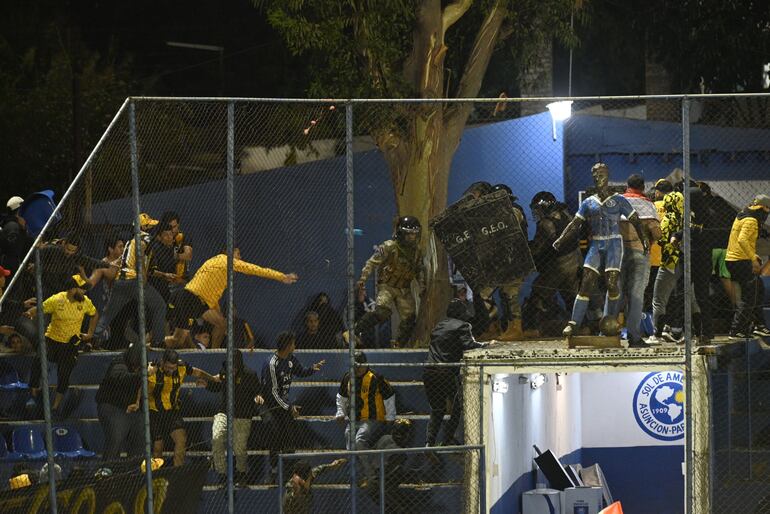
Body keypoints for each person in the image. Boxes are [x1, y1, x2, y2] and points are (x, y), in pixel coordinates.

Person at [554, 163, 649, 337]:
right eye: (596, 175)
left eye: (602, 174)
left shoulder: (619, 200)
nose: (599, 178)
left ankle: (610, 320)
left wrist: (644, 239)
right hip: (596, 244)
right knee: (586, 282)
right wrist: (561, 239)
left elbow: (635, 220)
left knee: (612, 284)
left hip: (614, 243)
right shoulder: (589, 202)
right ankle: (573, 324)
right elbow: (575, 223)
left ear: (608, 176)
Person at [165, 248, 298, 349]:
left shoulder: (214, 262)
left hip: (195, 300)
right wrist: (281, 276)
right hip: (191, 299)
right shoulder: (228, 262)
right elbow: (255, 269)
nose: (240, 257)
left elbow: (209, 291)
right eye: (238, 254)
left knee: (221, 323)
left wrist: (217, 310)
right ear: (230, 253)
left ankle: (212, 353)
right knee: (178, 339)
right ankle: (151, 345)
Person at [130, 349, 218, 466]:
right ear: (162, 362)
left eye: (173, 368)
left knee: (181, 439)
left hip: (172, 411)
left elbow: (197, 372)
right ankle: (157, 477)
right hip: (153, 412)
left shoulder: (182, 367)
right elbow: (138, 385)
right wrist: (136, 402)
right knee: (158, 447)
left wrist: (212, 378)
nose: (171, 370)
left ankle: (177, 473)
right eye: (168, 367)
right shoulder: (152, 369)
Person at [27, 275, 98, 413]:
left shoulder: (85, 302)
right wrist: (30, 312)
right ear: (72, 289)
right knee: (38, 360)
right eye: (81, 289)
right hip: (52, 340)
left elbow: (95, 314)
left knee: (64, 374)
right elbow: (41, 308)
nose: (84, 292)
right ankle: (33, 394)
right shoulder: (57, 299)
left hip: (70, 343)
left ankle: (55, 406)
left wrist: (90, 334)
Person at [262, 331, 325, 478]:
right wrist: (288, 407)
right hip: (271, 406)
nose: (295, 346)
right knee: (275, 435)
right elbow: (272, 393)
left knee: (290, 437)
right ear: (287, 345)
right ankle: (273, 471)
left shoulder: (291, 359)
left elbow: (300, 371)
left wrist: (311, 369)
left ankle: (289, 470)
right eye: (293, 343)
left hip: (283, 404)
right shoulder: (272, 363)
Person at [355, 216, 426, 347]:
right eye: (409, 234)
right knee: (382, 311)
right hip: (387, 286)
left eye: (414, 234)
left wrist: (422, 287)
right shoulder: (389, 246)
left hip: (404, 289)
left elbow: (419, 270)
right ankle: (355, 331)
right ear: (401, 233)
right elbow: (372, 262)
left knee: (410, 318)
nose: (412, 237)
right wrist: (363, 278)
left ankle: (399, 344)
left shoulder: (417, 252)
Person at [424, 299, 485, 447]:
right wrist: (485, 345)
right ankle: (447, 439)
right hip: (445, 372)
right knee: (457, 406)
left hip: (429, 371)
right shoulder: (463, 326)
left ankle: (429, 442)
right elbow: (469, 345)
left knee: (437, 409)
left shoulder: (440, 325)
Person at [93, 228, 167, 348]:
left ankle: (92, 339)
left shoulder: (130, 242)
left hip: (121, 282)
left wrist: (163, 275)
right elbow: (140, 258)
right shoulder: (143, 238)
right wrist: (142, 278)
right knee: (159, 305)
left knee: (107, 315)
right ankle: (158, 341)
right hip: (134, 281)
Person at [648, 185, 701, 344]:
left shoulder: (669, 218)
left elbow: (661, 239)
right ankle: (697, 334)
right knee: (690, 298)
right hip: (686, 260)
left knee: (659, 297)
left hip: (670, 261)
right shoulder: (688, 219)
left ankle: (656, 335)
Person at [613, 175, 661, 348]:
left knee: (615, 292)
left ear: (627, 186)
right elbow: (656, 233)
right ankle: (634, 336)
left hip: (617, 252)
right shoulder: (647, 205)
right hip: (639, 252)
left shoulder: (617, 202)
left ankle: (607, 332)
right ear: (643, 187)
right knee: (636, 294)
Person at [335, 351, 396, 485]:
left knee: (359, 439)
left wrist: (391, 417)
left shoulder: (375, 377)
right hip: (355, 420)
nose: (356, 369)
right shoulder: (347, 378)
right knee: (348, 435)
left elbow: (389, 395)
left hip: (373, 419)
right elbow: (341, 397)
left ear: (364, 364)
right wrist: (340, 412)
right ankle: (357, 472)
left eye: (358, 366)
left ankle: (371, 475)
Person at [207, 350, 264, 485]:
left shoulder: (250, 375)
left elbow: (258, 391)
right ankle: (222, 473)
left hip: (242, 414)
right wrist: (207, 384)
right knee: (216, 438)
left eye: (234, 368)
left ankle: (241, 472)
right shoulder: (224, 372)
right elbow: (217, 386)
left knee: (239, 447)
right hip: (224, 412)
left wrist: (258, 397)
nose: (231, 370)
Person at [527, 191, 581, 328]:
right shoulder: (567, 215)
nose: (537, 213)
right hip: (575, 261)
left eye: (538, 209)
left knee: (539, 290)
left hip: (559, 265)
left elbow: (539, 248)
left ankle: (534, 327)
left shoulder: (546, 223)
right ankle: (580, 325)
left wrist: (527, 249)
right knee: (572, 297)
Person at [725, 195, 770, 339]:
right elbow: (742, 239)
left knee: (758, 289)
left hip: (734, 259)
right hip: (741, 260)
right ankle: (736, 330)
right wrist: (753, 258)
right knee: (749, 296)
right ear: (763, 208)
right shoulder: (751, 220)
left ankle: (759, 325)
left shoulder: (744, 214)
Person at [95, 344, 144, 461]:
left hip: (129, 407)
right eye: (134, 366)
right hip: (110, 405)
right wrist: (141, 374)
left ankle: (134, 470)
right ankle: (107, 470)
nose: (136, 368)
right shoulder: (119, 363)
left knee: (141, 435)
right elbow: (120, 377)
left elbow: (141, 385)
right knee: (116, 436)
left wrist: (137, 402)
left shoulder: (143, 362)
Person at [37, 234, 110, 297]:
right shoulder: (51, 250)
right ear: (63, 243)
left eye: (73, 251)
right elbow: (39, 253)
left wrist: (107, 265)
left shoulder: (76, 257)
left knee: (85, 285)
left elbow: (91, 261)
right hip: (47, 285)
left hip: (64, 286)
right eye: (68, 249)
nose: (69, 252)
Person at [282, 458, 347, 514]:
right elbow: (289, 507)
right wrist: (299, 491)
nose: (311, 474)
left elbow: (319, 469)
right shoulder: (292, 489)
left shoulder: (309, 476)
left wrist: (332, 465)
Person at [0, 196, 31, 275]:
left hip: (13, 264)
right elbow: (12, 248)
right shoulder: (13, 226)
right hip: (10, 266)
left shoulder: (14, 225)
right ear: (18, 211)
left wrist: (23, 229)